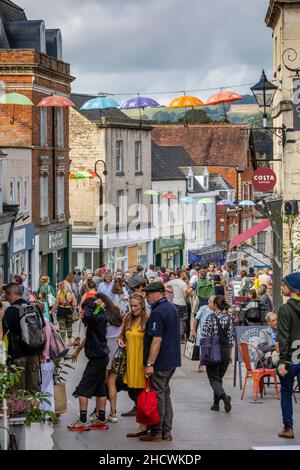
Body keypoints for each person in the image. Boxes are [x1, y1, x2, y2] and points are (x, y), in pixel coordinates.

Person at [140, 281, 181, 442]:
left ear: (158, 293)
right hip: (171, 359)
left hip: (161, 361)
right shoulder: (171, 308)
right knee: (165, 394)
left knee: (158, 395)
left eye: (148, 294)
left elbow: (157, 339)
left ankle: (157, 431)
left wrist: (149, 364)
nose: (147, 297)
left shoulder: (158, 312)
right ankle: (166, 431)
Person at [68, 296, 110, 432]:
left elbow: (88, 315)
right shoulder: (101, 316)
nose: (82, 313)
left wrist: (90, 306)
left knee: (83, 389)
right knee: (100, 388)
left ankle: (83, 420)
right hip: (102, 357)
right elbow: (87, 319)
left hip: (97, 358)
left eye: (83, 309)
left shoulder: (96, 318)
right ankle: (101, 418)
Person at [0, 282, 45, 393]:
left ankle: (20, 411)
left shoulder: (11, 310)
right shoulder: (34, 307)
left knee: (18, 391)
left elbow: (1, 336)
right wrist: (41, 351)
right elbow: (42, 330)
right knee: (34, 391)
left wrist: (0, 319)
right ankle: (34, 410)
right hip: (34, 355)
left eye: (6, 295)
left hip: (17, 356)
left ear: (10, 294)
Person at [117, 293, 149, 436]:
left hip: (141, 362)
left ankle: (144, 425)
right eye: (132, 305)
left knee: (142, 394)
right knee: (132, 391)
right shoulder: (128, 317)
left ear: (142, 305)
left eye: (136, 305)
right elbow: (121, 334)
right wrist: (120, 339)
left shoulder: (147, 320)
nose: (133, 308)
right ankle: (144, 422)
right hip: (130, 360)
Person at [277, 273, 300, 439]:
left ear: (291, 288)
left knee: (286, 392)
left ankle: (288, 428)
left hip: (291, 358)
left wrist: (282, 361)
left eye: (284, 285)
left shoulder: (285, 309)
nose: (281, 287)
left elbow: (283, 337)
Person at [202, 295, 234, 413]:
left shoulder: (210, 318)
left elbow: (206, 336)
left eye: (211, 303)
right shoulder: (229, 319)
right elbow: (231, 338)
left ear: (215, 305)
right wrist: (230, 354)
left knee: (213, 378)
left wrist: (203, 355)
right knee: (219, 377)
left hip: (213, 349)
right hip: (226, 350)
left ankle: (225, 397)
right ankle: (216, 404)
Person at [191, 295, 215, 372]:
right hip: (201, 332)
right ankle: (201, 364)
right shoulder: (203, 308)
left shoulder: (216, 310)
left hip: (212, 333)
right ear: (209, 302)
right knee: (203, 349)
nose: (214, 305)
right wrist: (193, 330)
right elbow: (196, 319)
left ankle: (209, 365)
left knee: (211, 349)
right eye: (213, 303)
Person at [52, 280, 77, 345]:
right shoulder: (71, 294)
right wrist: (74, 311)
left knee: (62, 327)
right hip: (69, 311)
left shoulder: (60, 294)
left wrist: (52, 311)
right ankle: (69, 341)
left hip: (61, 311)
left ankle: (63, 342)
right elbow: (74, 304)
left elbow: (56, 305)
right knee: (69, 326)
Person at [166, 270, 188, 342]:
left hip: (174, 302)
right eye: (184, 273)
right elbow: (185, 296)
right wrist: (189, 292)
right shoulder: (184, 284)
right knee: (182, 320)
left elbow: (164, 285)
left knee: (175, 319)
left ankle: (174, 335)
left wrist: (171, 291)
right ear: (181, 274)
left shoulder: (174, 281)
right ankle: (181, 337)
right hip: (182, 303)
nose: (185, 274)